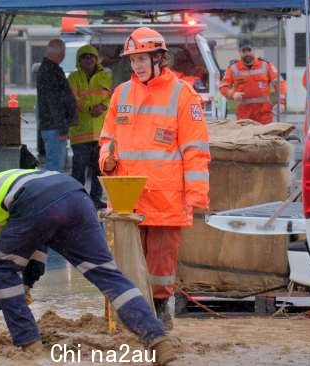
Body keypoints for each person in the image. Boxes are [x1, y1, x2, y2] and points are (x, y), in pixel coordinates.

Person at [0, 167, 177, 365]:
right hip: (73, 194)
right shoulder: (1, 182)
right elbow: (38, 242)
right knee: (107, 275)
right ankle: (158, 340)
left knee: (1, 266)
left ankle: (29, 345)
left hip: (38, 201)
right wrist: (27, 284)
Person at [98, 27, 211, 330]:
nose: (136, 65)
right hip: (126, 199)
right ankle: (131, 316)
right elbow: (107, 138)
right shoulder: (121, 93)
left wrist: (197, 195)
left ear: (160, 58)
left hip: (165, 199)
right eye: (133, 60)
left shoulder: (183, 96)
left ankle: (160, 313)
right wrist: (107, 161)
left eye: (142, 59)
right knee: (127, 264)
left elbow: (196, 151)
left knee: (161, 266)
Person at [68, 45, 112, 209]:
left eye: (91, 57)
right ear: (79, 60)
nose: (89, 60)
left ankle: (95, 197)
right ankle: (76, 199)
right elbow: (73, 99)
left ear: (96, 59)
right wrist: (90, 108)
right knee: (79, 169)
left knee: (98, 169)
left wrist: (103, 107)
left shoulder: (104, 77)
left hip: (100, 132)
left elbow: (110, 96)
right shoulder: (73, 78)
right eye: (85, 57)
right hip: (80, 132)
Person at [36, 39, 77, 172]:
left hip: (53, 126)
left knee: (56, 164)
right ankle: (53, 192)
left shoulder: (50, 69)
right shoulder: (50, 72)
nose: (64, 56)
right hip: (54, 128)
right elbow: (54, 102)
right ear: (58, 53)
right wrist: (62, 128)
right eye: (63, 52)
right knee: (55, 168)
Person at [219, 39, 280, 124]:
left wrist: (282, 102)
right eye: (244, 51)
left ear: (254, 50)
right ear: (240, 52)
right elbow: (222, 87)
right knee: (246, 137)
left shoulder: (266, 65)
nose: (247, 53)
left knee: (266, 136)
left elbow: (280, 84)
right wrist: (233, 94)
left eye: (249, 50)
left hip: (264, 113)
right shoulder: (233, 68)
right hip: (244, 114)